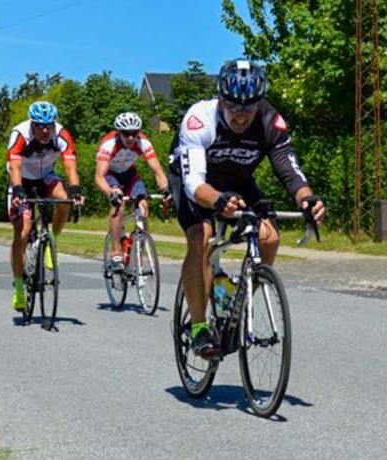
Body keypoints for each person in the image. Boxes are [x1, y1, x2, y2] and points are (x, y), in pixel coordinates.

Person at [168, 59, 326, 358]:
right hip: (195, 183)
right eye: (234, 108)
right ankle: (199, 326)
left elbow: (289, 169)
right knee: (201, 235)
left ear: (259, 103)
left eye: (249, 108)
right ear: (221, 100)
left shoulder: (270, 120)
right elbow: (194, 185)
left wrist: (307, 198)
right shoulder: (199, 119)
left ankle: (240, 298)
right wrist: (217, 201)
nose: (241, 116)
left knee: (270, 237)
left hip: (238, 179)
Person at [7, 101, 84, 311]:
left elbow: (70, 165)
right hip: (21, 179)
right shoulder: (20, 134)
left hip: (45, 176)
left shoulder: (62, 135)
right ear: (32, 124)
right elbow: (14, 165)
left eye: (48, 125)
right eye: (39, 126)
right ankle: (20, 290)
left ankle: (52, 243)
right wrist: (18, 189)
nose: (44, 130)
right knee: (22, 233)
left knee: (63, 200)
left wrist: (75, 189)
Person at [94, 112, 171, 272]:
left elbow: (157, 171)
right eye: (126, 134)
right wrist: (111, 194)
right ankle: (116, 253)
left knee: (143, 208)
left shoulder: (143, 142)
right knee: (119, 203)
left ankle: (139, 255)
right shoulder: (109, 144)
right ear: (118, 133)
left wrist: (165, 189)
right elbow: (99, 177)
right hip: (110, 175)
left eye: (134, 133)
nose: (130, 137)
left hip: (130, 174)